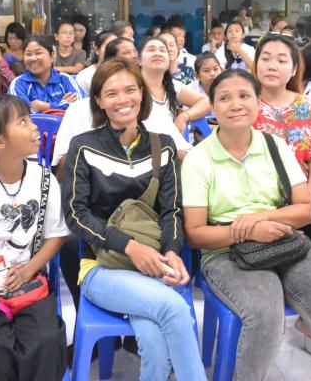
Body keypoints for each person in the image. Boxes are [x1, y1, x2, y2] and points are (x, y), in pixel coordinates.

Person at [181, 69, 311, 381]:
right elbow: (195, 234)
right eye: (224, 98)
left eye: (244, 96)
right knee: (265, 316)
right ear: (212, 107)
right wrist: (248, 231)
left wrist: (262, 219)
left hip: (283, 240)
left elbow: (306, 211)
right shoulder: (199, 159)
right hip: (225, 252)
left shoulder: (275, 146)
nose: (235, 104)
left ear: (257, 102)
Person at [61, 58, 205, 381]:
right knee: (175, 309)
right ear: (98, 100)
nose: (122, 100)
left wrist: (172, 251)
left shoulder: (163, 146)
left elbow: (171, 211)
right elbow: (76, 214)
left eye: (130, 90)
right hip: (101, 267)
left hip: (154, 264)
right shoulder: (83, 146)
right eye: (111, 93)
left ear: (142, 93)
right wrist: (130, 247)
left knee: (154, 341)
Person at [0, 95, 68, 380]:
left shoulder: (44, 179)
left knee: (46, 341)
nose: (34, 127)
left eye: (29, 119)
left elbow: (56, 235)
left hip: (28, 281)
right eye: (23, 122)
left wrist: (29, 269)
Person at [251, 35, 311, 281]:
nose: (272, 66)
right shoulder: (246, 104)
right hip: (256, 195)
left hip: (300, 192)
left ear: (294, 69)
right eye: (266, 59)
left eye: (282, 60)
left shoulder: (307, 106)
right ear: (256, 63)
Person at [139, 37, 210, 134]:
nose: (158, 53)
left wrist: (185, 116)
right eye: (151, 50)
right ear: (139, 60)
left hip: (171, 141)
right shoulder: (133, 87)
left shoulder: (172, 85)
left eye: (162, 50)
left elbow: (206, 102)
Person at [9, 36, 83, 113]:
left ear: (52, 56)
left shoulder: (66, 80)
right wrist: (63, 105)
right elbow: (21, 115)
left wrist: (44, 107)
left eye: (38, 53)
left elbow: (81, 108)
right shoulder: (18, 84)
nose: (33, 58)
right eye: (28, 54)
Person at [76, 30, 117, 95]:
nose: (112, 50)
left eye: (116, 46)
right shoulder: (84, 76)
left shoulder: (126, 73)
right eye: (108, 46)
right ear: (97, 50)